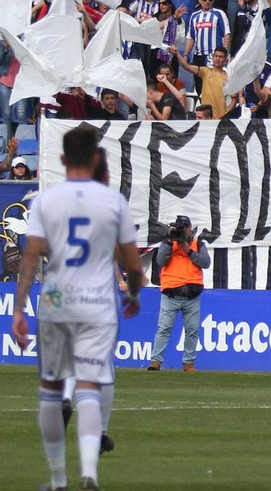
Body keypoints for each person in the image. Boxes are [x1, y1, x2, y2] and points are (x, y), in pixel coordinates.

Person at [11, 124, 145, 491]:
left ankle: (57, 481)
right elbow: (134, 265)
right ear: (96, 159)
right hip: (97, 303)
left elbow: (31, 255)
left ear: (62, 159)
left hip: (56, 300)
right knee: (91, 385)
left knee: (51, 391)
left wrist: (19, 309)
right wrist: (133, 296)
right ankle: (90, 474)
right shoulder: (112, 201)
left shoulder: (46, 201)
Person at [147, 215, 210, 372]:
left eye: (185, 227)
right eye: (180, 228)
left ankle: (188, 362)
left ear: (190, 228)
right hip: (171, 294)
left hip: (192, 295)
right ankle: (156, 361)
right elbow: (161, 261)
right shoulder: (167, 243)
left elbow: (206, 262)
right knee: (164, 328)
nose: (183, 231)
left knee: (192, 330)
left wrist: (188, 250)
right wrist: (169, 241)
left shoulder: (197, 244)